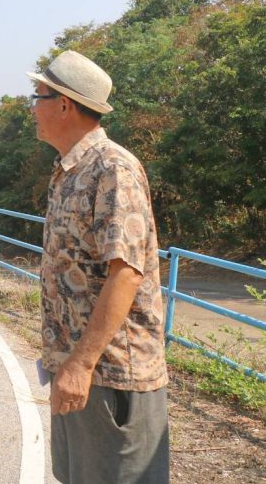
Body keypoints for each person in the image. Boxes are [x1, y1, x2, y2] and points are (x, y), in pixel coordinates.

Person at [27, 50, 169, 484]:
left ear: (63, 105)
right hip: (79, 371)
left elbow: (126, 273)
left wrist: (80, 365)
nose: (32, 108)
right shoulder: (70, 169)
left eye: (37, 96)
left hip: (111, 375)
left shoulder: (112, 168)